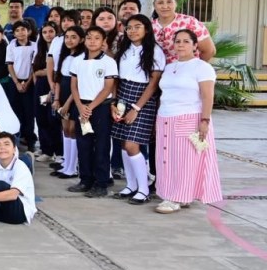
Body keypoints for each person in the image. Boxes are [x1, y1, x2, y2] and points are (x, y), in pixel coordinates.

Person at [154, 29, 221, 214]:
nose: (181, 45)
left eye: (186, 41)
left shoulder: (202, 67)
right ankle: (172, 194)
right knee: (166, 159)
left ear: (195, 45)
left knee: (185, 161)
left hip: (189, 117)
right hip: (165, 117)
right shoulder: (169, 67)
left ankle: (177, 197)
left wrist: (205, 120)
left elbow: (207, 96)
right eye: (178, 41)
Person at [111, 15, 165, 205]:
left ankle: (143, 189)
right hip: (123, 95)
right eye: (129, 27)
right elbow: (116, 78)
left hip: (143, 99)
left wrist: (136, 107)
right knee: (123, 144)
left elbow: (153, 83)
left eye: (137, 27)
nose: (132, 31)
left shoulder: (155, 51)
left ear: (147, 29)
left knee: (132, 145)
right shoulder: (124, 49)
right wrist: (114, 102)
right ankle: (131, 185)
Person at [66, 26, 118, 198]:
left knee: (101, 145)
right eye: (89, 37)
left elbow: (108, 87)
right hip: (81, 106)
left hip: (100, 107)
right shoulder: (77, 60)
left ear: (103, 41)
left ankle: (101, 182)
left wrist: (91, 107)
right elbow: (74, 86)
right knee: (83, 144)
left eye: (97, 38)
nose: (92, 41)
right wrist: (80, 106)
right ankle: (85, 179)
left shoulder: (108, 62)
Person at [52, 26, 86, 180]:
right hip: (63, 95)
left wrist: (67, 103)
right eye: (67, 37)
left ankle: (73, 167)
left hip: (74, 97)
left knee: (73, 129)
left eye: (74, 37)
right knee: (65, 129)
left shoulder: (82, 57)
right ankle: (66, 164)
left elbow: (77, 84)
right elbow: (59, 79)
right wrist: (57, 99)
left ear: (81, 39)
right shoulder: (65, 56)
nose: (69, 40)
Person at [152, 0, 216, 62]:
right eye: (160, 3)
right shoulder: (149, 26)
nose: (165, 6)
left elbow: (210, 50)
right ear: (154, 5)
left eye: (169, 2)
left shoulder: (190, 22)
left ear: (175, 4)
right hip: (157, 69)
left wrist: (194, 66)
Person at [32, 22, 61, 164]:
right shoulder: (39, 50)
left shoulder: (60, 48)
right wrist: (42, 73)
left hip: (54, 86)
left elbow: (56, 71)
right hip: (40, 87)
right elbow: (35, 71)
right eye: (45, 32)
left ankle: (59, 151)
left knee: (53, 119)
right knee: (41, 118)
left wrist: (44, 72)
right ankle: (46, 150)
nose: (48, 35)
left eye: (51, 31)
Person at [5, 20, 37, 151]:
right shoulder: (11, 45)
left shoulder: (35, 45)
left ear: (29, 31)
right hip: (14, 82)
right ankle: (17, 139)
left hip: (29, 81)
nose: (20, 33)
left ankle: (30, 140)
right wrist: (17, 83)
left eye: (23, 30)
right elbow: (10, 65)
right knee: (15, 110)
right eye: (17, 30)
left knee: (29, 112)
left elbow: (34, 66)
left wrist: (27, 82)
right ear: (14, 33)